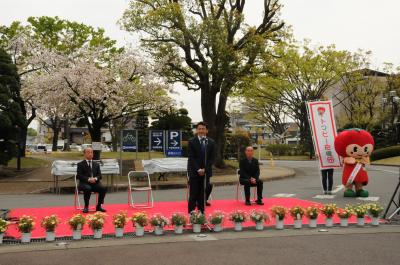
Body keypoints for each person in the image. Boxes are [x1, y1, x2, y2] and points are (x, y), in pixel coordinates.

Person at [187, 121, 215, 214]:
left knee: (202, 194)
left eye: (203, 129)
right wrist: (198, 169)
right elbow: (192, 157)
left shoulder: (210, 142)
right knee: (193, 194)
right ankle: (191, 214)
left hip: (205, 173)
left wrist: (205, 169)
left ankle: (201, 214)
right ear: (196, 130)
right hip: (194, 172)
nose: (201, 131)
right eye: (199, 129)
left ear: (207, 130)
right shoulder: (192, 141)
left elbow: (211, 158)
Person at [76, 147, 107, 213]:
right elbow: (79, 176)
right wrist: (88, 179)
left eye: (91, 152)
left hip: (95, 183)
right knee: (88, 188)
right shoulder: (80, 164)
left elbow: (100, 176)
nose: (90, 154)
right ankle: (86, 206)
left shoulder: (96, 164)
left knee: (103, 188)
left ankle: (99, 206)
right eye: (88, 152)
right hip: (84, 183)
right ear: (84, 154)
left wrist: (95, 179)